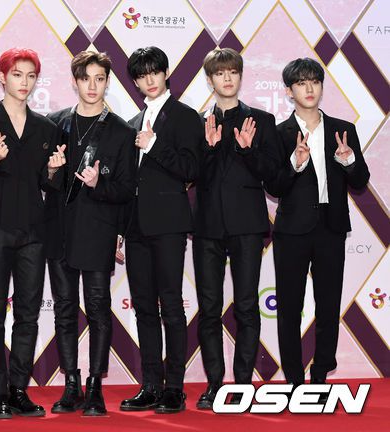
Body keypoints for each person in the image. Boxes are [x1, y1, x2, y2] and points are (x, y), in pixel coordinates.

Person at [0, 47, 64, 419]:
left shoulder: (46, 128)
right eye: (17, 74)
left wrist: (53, 171)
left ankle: (19, 389)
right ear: (2, 77)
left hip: (34, 232)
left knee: (28, 314)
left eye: (30, 76)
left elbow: (49, 185)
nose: (24, 82)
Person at [265, 58, 369, 402]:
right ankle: (294, 379)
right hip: (291, 231)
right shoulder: (278, 133)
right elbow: (273, 186)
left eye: (314, 81)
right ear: (289, 91)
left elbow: (361, 181)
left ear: (322, 86)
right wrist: (295, 164)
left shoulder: (343, 129)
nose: (309, 88)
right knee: (289, 308)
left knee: (328, 305)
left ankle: (321, 373)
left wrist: (348, 160)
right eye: (301, 83)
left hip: (331, 227)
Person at [46, 50, 136, 416]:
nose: (93, 86)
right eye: (86, 78)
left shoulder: (121, 131)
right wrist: (52, 171)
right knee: (64, 309)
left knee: (98, 309)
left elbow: (127, 189)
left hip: (98, 230)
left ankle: (95, 386)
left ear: (107, 82)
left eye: (100, 79)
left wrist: (100, 184)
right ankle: (71, 384)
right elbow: (43, 181)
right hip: (59, 230)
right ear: (75, 81)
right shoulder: (55, 124)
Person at [192, 48, 281, 408]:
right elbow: (189, 176)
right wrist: (210, 149)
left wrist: (247, 151)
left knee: (246, 305)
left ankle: (242, 383)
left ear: (241, 76)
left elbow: (273, 178)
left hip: (247, 225)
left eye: (232, 72)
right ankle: (215, 384)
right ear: (210, 79)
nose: (227, 78)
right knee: (209, 308)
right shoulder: (196, 123)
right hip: (207, 226)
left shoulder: (262, 120)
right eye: (220, 73)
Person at [118, 46, 202, 414]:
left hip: (169, 224)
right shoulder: (132, 121)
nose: (149, 80)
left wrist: (154, 146)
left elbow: (191, 168)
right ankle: (150, 384)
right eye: (141, 75)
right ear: (135, 82)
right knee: (143, 308)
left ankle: (174, 388)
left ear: (166, 73)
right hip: (136, 226)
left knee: (170, 304)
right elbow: (128, 182)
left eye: (154, 72)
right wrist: (120, 229)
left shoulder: (185, 116)